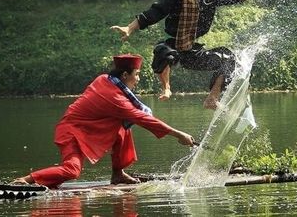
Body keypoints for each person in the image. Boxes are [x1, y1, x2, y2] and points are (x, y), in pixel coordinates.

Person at [13, 54, 195, 188]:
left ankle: (117, 174)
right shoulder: (115, 99)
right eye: (137, 74)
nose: (138, 79)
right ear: (124, 75)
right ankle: (26, 180)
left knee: (123, 127)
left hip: (84, 129)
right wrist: (178, 134)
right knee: (72, 171)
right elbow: (144, 119)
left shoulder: (104, 79)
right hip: (70, 132)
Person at [111, 0, 264, 109]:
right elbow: (155, 12)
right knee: (163, 52)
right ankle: (166, 88)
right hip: (173, 45)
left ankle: (212, 98)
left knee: (229, 59)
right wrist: (130, 28)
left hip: (191, 51)